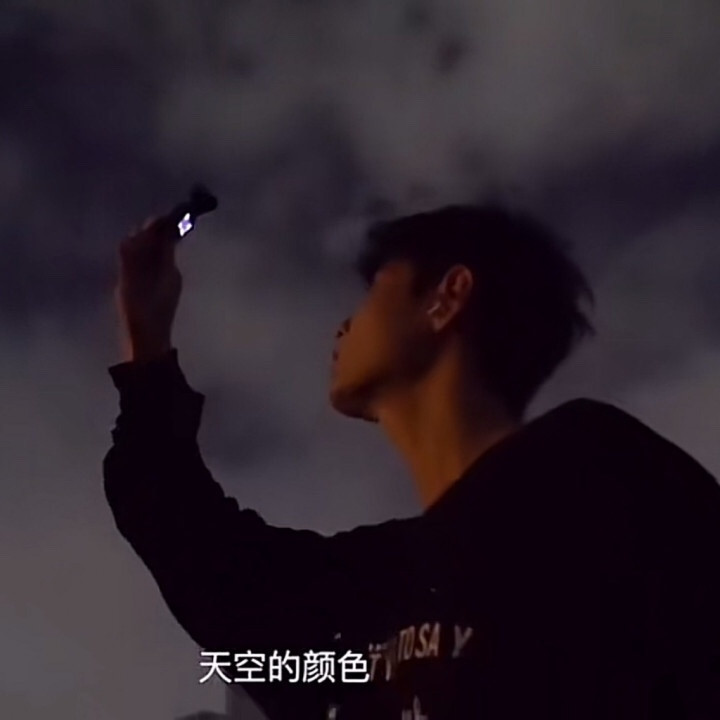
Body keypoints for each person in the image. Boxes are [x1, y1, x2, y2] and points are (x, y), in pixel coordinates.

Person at [103, 203, 720, 719]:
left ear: (447, 297)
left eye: (373, 290)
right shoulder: (374, 590)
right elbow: (191, 540)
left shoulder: (595, 475)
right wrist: (147, 337)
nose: (343, 326)